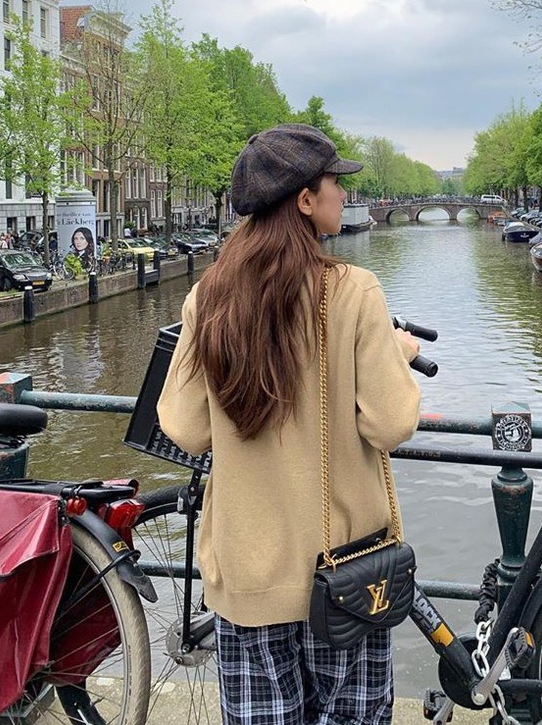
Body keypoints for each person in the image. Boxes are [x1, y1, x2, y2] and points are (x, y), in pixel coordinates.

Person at [157, 124, 421, 725]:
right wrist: (396, 355)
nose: (345, 195)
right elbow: (391, 423)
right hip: (347, 573)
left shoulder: (209, 297)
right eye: (335, 183)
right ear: (305, 199)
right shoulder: (353, 291)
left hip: (248, 573)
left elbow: (186, 428)